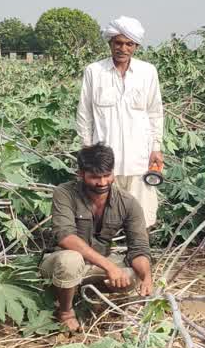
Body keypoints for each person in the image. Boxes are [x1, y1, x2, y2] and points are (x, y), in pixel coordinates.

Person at [41, 143, 154, 331]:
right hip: (59, 262)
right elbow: (65, 237)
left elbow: (139, 248)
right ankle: (65, 312)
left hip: (95, 265)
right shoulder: (64, 193)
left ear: (113, 173)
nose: (102, 183)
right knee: (70, 260)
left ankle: (88, 295)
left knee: (132, 275)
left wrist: (147, 276)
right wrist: (109, 266)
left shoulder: (128, 202)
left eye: (106, 176)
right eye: (94, 177)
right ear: (81, 174)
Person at [76, 16, 164, 227]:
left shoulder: (148, 72)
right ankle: (106, 252)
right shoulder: (94, 71)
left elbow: (155, 112)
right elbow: (84, 114)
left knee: (141, 212)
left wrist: (156, 147)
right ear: (110, 43)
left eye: (129, 44)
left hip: (140, 156)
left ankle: (139, 251)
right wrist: (87, 150)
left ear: (136, 46)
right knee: (104, 212)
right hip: (105, 159)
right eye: (118, 43)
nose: (123, 48)